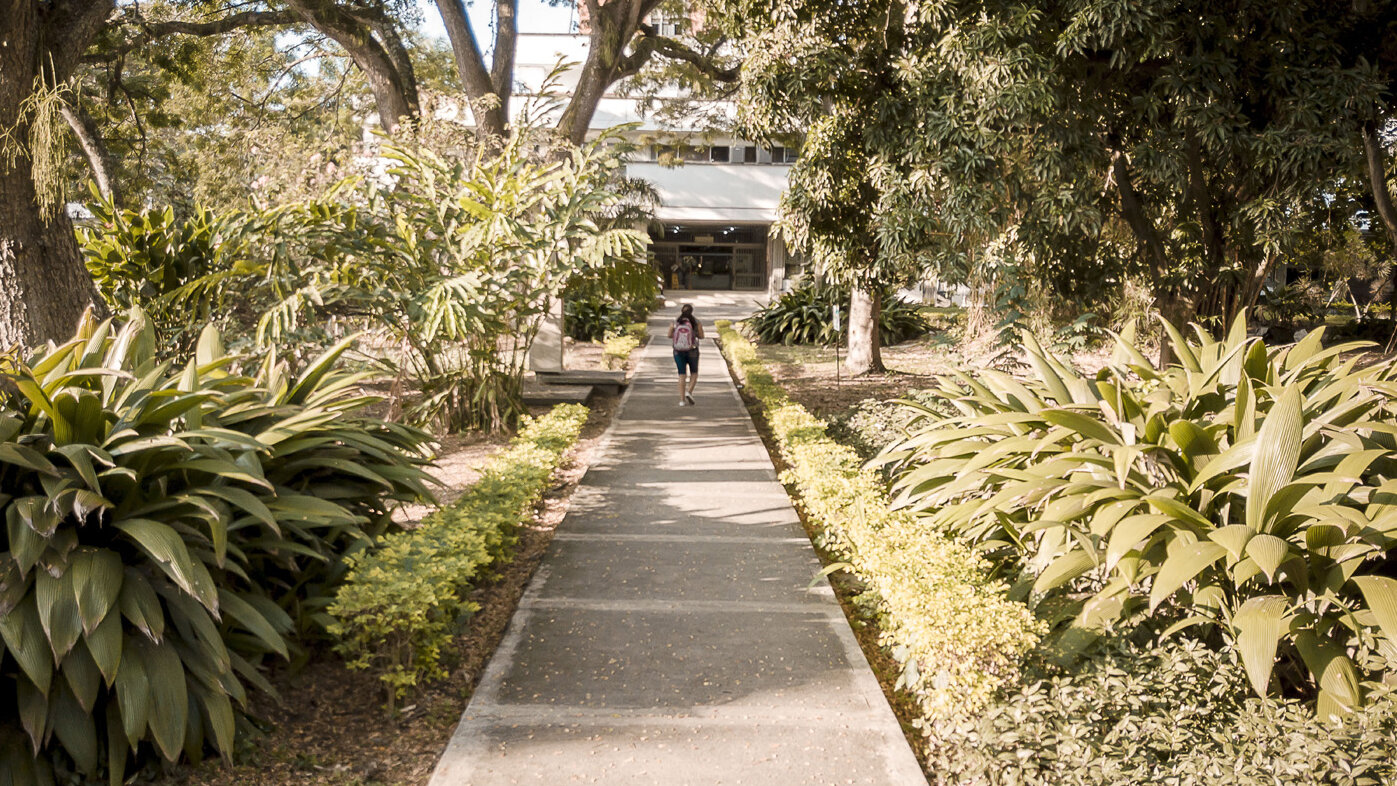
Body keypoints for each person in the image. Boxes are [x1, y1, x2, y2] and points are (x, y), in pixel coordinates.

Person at [668, 303, 704, 406]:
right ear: (692, 312)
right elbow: (701, 336)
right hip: (692, 350)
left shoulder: (675, 322)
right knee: (694, 372)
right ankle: (689, 391)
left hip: (678, 351)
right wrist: (694, 334)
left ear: (681, 311)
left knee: (681, 374)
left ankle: (682, 400)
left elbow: (669, 335)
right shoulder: (696, 322)